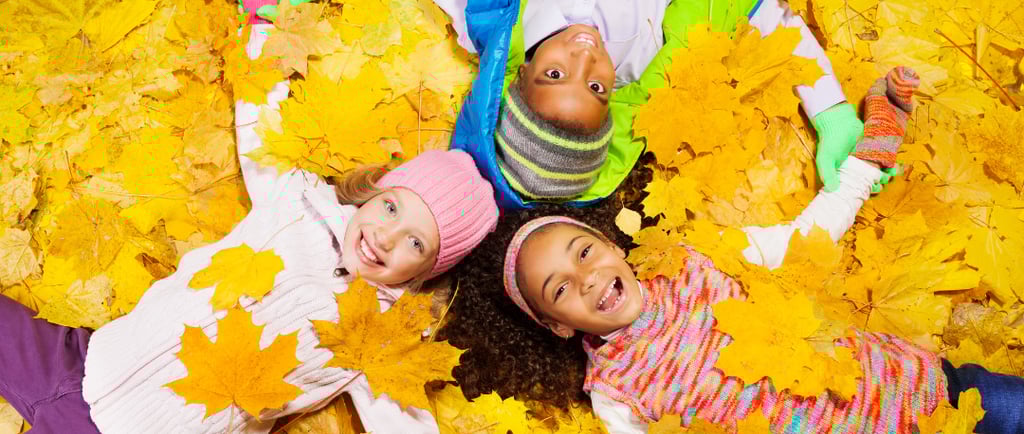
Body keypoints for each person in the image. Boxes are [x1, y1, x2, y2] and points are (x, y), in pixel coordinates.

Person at [0, 4, 499, 433]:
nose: (387, 236)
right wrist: (264, 26)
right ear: (375, 193)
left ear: (428, 271)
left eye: (416, 243)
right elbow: (260, 126)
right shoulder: (297, 200)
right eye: (392, 207)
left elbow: (401, 420)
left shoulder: (381, 337)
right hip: (82, 362)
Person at [441, 68, 1024, 433]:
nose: (586, 278)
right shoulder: (615, 395)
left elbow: (808, 236)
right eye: (561, 289)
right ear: (557, 326)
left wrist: (865, 159)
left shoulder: (697, 259)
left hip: (922, 390)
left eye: (583, 253)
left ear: (609, 243)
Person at [435, 0, 869, 204]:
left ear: (520, 78)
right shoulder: (643, 60)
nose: (584, 57)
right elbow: (752, 12)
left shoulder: (490, 14)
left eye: (555, 75)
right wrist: (829, 109)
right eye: (596, 89)